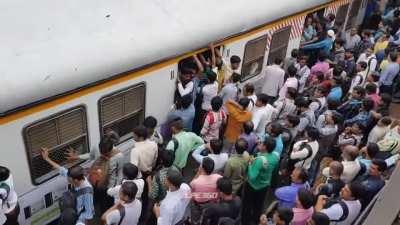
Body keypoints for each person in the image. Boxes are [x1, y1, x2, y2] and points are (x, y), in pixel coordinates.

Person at [40, 148, 94, 223]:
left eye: (69, 180)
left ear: (75, 180)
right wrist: (47, 158)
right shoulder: (76, 176)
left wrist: (77, 220)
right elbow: (61, 169)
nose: (68, 181)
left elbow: (89, 213)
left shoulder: (87, 192)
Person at [242, 137, 279, 225]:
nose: (260, 144)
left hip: (252, 186)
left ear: (265, 147)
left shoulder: (259, 160)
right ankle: (256, 220)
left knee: (247, 206)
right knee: (258, 206)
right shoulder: (275, 156)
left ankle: (245, 221)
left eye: (262, 143)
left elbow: (252, 176)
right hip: (264, 185)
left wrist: (251, 164)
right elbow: (274, 170)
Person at [190, 157, 223, 225]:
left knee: (195, 216)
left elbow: (191, 186)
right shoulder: (218, 177)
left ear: (202, 168)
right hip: (211, 202)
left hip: (198, 203)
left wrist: (198, 173)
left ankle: (195, 222)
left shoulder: (196, 182)